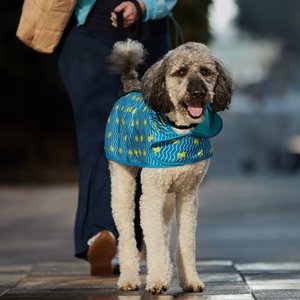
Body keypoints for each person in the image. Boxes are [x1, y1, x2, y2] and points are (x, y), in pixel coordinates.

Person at [57, 0, 177, 275]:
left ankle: (128, 241)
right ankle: (101, 235)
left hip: (150, 34)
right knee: (97, 133)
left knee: (144, 136)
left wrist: (145, 6)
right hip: (88, 31)